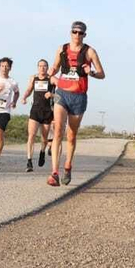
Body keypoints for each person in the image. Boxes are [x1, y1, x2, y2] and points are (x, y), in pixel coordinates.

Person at [46, 21, 104, 187]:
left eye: (80, 33)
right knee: (58, 130)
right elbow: (55, 67)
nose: (77, 35)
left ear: (84, 35)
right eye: (74, 32)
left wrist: (91, 73)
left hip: (78, 97)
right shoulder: (62, 49)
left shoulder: (90, 52)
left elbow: (102, 74)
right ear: (70, 33)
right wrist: (51, 72)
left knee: (71, 135)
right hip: (62, 94)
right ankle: (54, 173)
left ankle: (68, 165)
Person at [22, 58, 56, 172]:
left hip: (47, 112)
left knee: (44, 139)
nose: (42, 68)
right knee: (31, 135)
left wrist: (52, 95)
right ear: (37, 67)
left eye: (44, 66)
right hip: (35, 110)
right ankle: (29, 161)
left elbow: (61, 95)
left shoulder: (51, 79)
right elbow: (29, 89)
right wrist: (24, 97)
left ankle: (42, 151)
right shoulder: (34, 78)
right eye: (40, 66)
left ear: (47, 68)